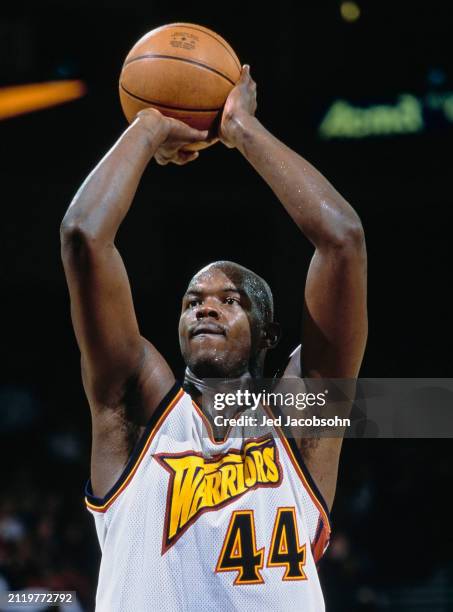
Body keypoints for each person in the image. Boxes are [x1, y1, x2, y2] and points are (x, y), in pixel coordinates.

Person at [60, 65, 367, 611]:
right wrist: (150, 124)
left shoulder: (301, 421)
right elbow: (83, 234)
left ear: (270, 332)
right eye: (193, 301)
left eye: (231, 300)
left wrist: (240, 129)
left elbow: (342, 240)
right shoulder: (135, 409)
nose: (206, 305)